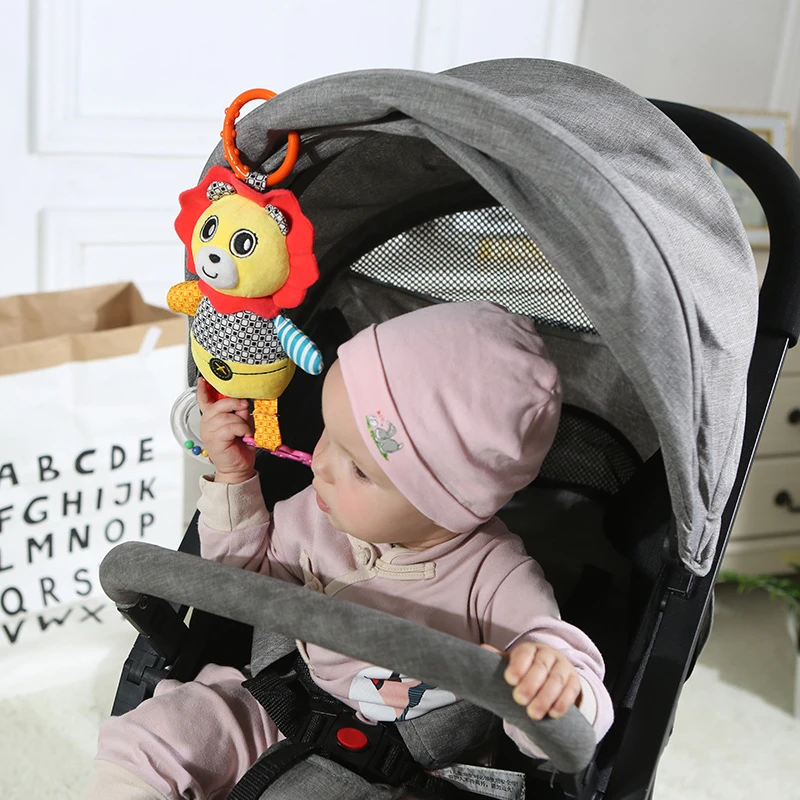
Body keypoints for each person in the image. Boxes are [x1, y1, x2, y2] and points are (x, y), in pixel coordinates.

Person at [86, 301, 614, 800]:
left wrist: (551, 687)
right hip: (283, 700)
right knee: (170, 727)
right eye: (327, 434)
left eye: (358, 468)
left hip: (419, 767)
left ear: (445, 503)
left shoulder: (497, 577)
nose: (320, 464)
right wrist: (234, 479)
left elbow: (566, 672)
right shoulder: (316, 514)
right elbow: (236, 581)